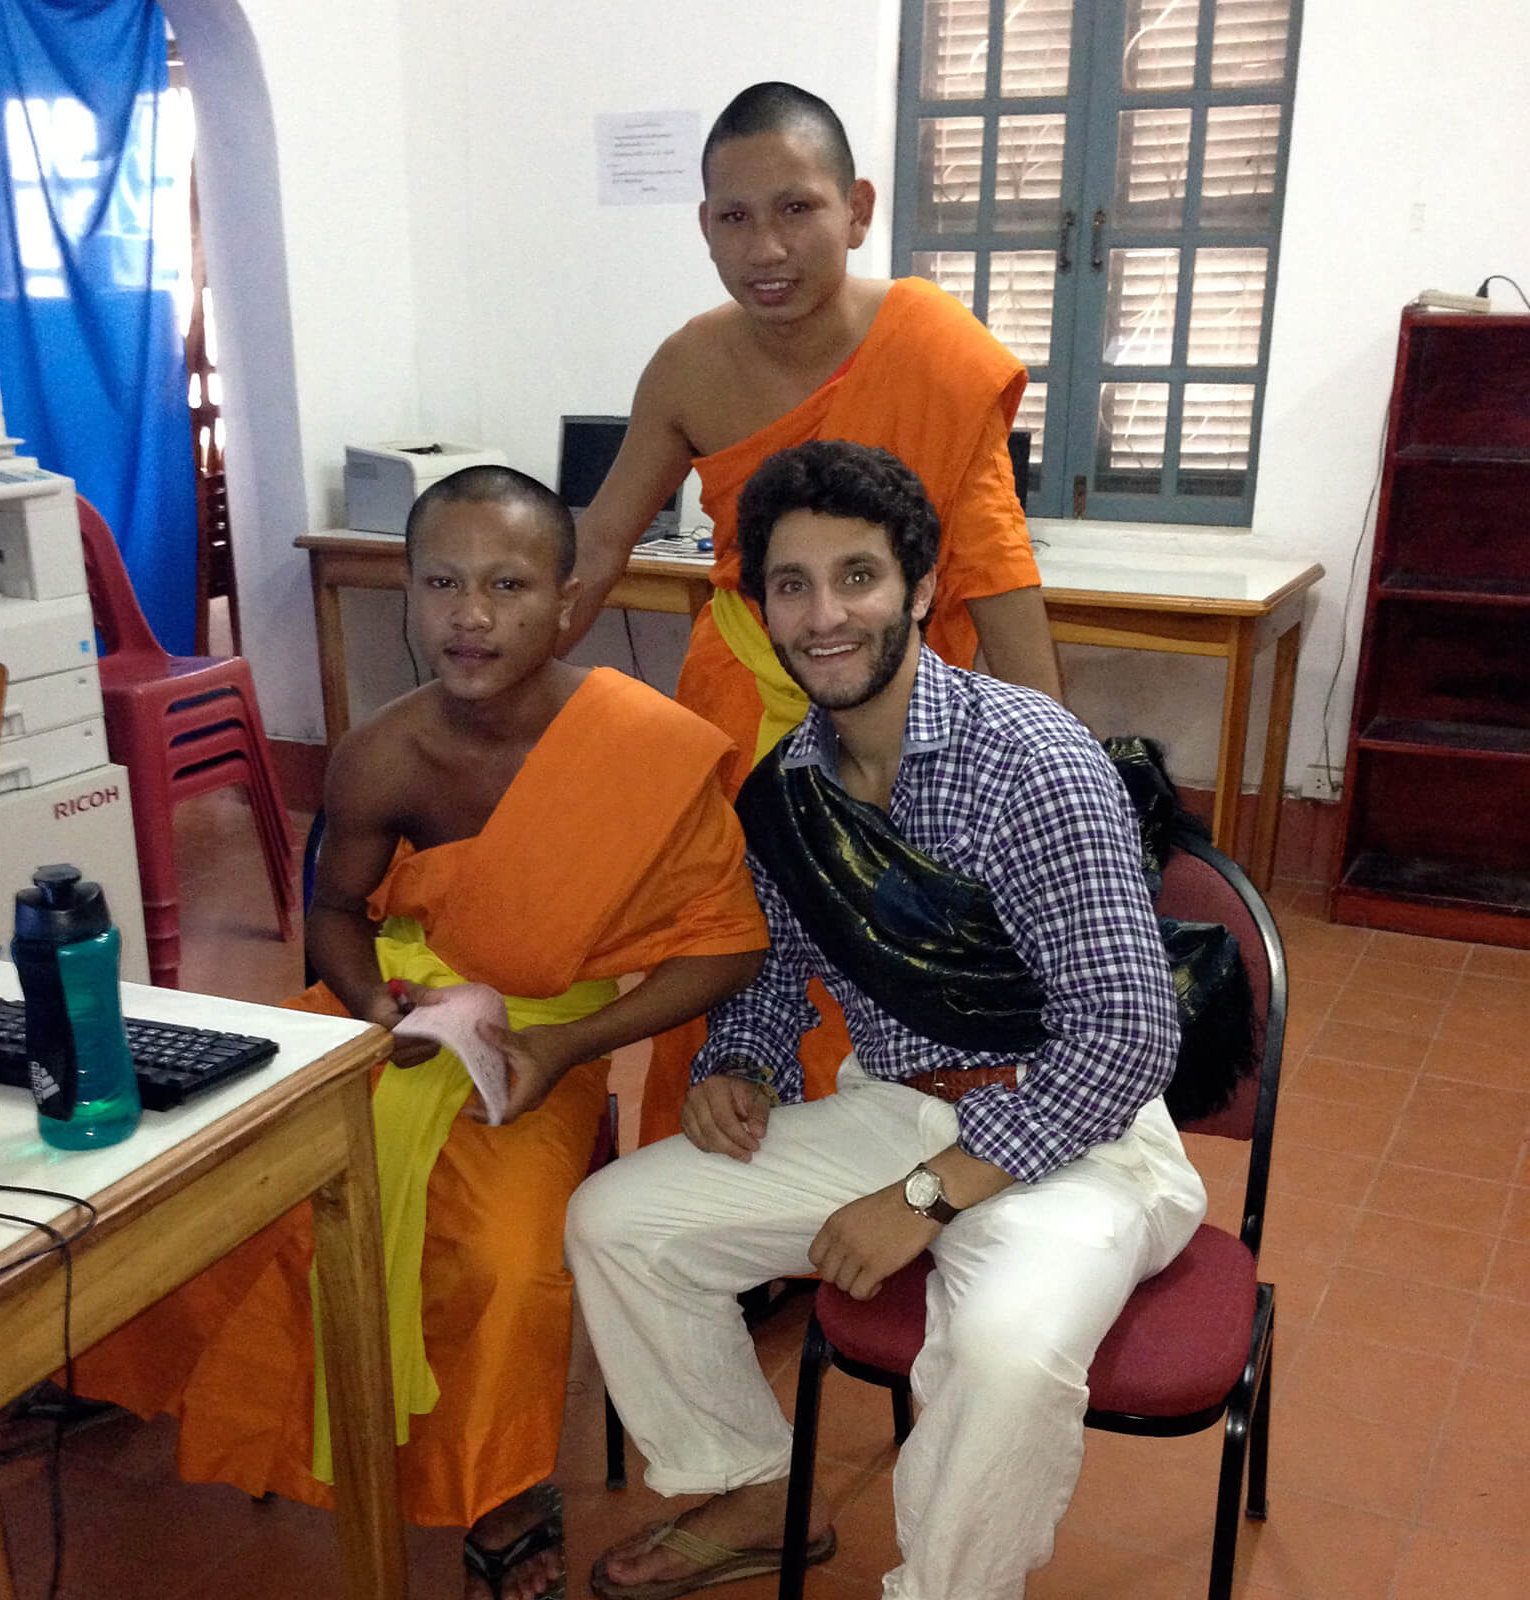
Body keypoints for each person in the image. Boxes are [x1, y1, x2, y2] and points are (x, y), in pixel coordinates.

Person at [72, 466, 768, 1600]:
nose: (471, 615)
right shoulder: (383, 752)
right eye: (441, 581)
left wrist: (566, 1053)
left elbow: (727, 941)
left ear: (565, 598)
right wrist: (374, 1008)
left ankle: (499, 1491)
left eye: (506, 584)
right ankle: (152, 1385)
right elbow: (339, 912)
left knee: (500, 1262)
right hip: (384, 1014)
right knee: (211, 1182)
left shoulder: (645, 746)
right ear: (405, 589)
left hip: (545, 1049)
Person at [565, 441, 1206, 1600]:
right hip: (895, 1109)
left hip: (1083, 1140)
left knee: (1005, 1352)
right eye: (791, 584)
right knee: (618, 1223)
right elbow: (772, 963)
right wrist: (741, 1061)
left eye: (856, 576)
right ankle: (761, 1488)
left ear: (918, 588)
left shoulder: (1034, 762)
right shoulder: (787, 790)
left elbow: (1125, 1035)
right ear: (759, 607)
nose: (824, 615)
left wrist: (927, 1197)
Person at [565, 81, 1062, 1141]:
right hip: (740, 710)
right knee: (729, 938)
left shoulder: (931, 347)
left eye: (796, 208)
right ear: (704, 227)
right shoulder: (690, 363)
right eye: (734, 218)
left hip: (901, 714)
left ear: (858, 209)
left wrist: (1047, 764)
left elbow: (992, 567)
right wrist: (502, 666)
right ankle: (713, 1186)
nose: (766, 247)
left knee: (882, 956)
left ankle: (877, 1185)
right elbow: (604, 538)